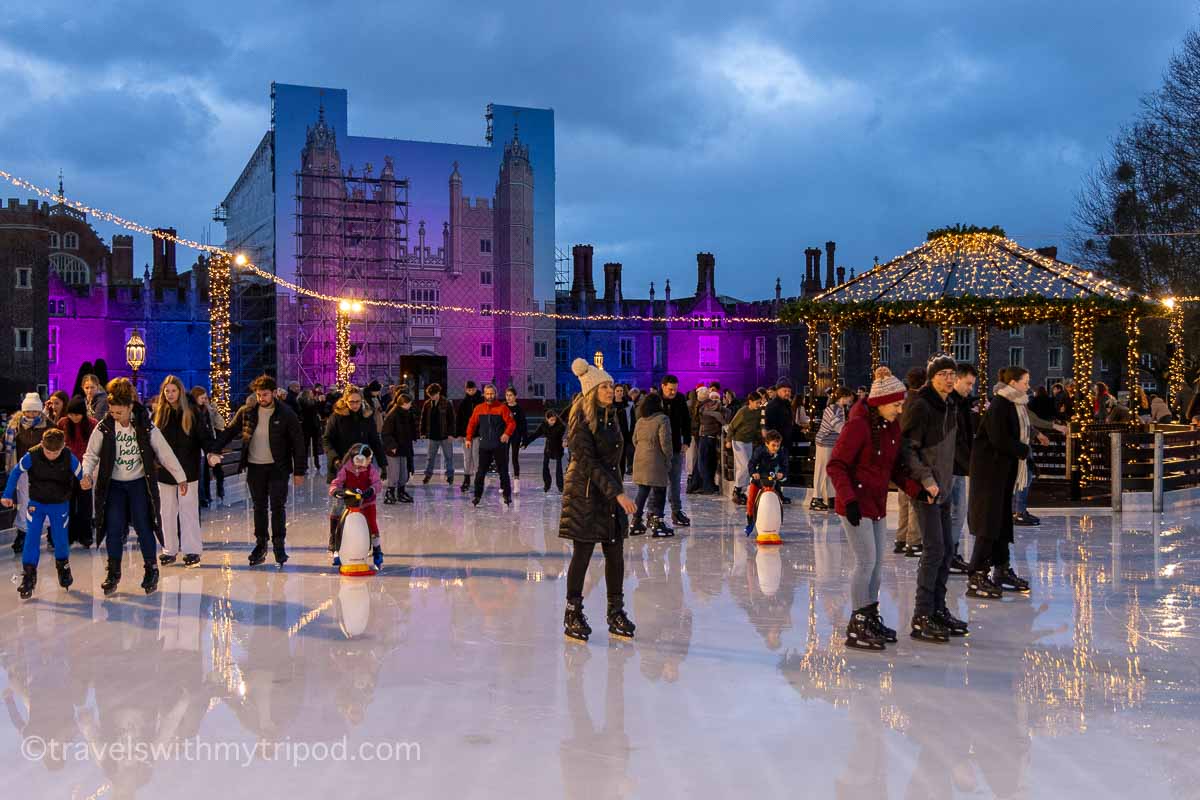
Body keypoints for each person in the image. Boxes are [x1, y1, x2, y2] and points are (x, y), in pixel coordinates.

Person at [827, 372, 925, 650]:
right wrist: (849, 500)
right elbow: (836, 465)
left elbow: (892, 468)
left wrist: (914, 489)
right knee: (866, 562)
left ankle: (869, 616)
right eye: (896, 404)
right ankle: (857, 624)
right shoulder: (857, 426)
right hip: (855, 505)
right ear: (881, 402)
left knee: (877, 565)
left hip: (877, 503)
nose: (900, 408)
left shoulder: (891, 428)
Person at [81, 378, 188, 595]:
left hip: (139, 484)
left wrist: (180, 477)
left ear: (130, 408)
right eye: (112, 412)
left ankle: (151, 568)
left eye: (119, 412)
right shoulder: (105, 428)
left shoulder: (145, 426)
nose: (114, 416)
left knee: (144, 526)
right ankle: (113, 572)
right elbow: (91, 454)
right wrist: (87, 474)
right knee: (113, 528)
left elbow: (164, 452)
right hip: (115, 486)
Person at [560, 358, 638, 642]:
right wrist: (617, 493)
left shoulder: (611, 416)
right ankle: (573, 611)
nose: (611, 390)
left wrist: (616, 491)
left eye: (612, 385)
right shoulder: (580, 419)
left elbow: (614, 461)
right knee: (582, 554)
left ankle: (615, 611)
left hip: (608, 496)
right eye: (605, 386)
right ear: (592, 391)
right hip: (585, 495)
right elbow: (588, 462)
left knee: (615, 554)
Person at [901, 354, 967, 643]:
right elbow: (907, 448)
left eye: (953, 374)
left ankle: (938, 608)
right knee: (934, 550)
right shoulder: (921, 405)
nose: (950, 379)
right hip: (926, 488)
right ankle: (922, 614)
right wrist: (926, 480)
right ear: (932, 377)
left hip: (944, 486)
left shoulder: (950, 404)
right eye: (944, 374)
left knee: (947, 551)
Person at [209, 375, 307, 566]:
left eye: (265, 394)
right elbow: (230, 431)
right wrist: (214, 448)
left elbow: (298, 443)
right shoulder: (247, 412)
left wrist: (299, 471)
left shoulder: (286, 414)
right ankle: (261, 544)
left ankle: (279, 546)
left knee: (277, 507)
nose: (262, 398)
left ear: (273, 393)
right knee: (259, 507)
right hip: (255, 467)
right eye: (259, 395)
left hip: (278, 467)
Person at [967, 366, 1036, 599]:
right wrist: (1023, 450)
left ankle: (1001, 568)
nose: (1028, 386)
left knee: (1001, 522)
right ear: (1013, 383)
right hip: (990, 473)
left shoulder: (1014, 404)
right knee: (989, 523)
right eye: (1025, 382)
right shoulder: (1000, 404)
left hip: (1003, 472)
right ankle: (977, 573)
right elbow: (998, 439)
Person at [2, 428, 83, 598]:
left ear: (63, 447)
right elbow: (16, 471)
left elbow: (82, 476)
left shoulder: (69, 457)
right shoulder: (32, 455)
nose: (51, 455)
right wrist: (7, 494)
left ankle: (63, 567)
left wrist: (86, 481)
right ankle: (29, 576)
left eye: (56, 452)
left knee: (60, 538)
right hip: (37, 503)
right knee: (32, 537)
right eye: (48, 451)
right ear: (42, 445)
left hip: (59, 504)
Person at [152, 375, 214, 568]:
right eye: (167, 391)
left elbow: (203, 437)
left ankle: (192, 549)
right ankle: (169, 549)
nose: (170, 394)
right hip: (165, 471)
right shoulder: (160, 414)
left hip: (188, 470)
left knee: (188, 511)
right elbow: (153, 442)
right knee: (167, 512)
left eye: (173, 390)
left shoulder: (192, 413)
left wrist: (211, 452)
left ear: (180, 391)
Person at [328, 443, 383, 570]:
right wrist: (336, 491)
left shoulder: (370, 469)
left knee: (372, 525)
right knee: (342, 526)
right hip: (350, 505)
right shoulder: (346, 469)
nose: (367, 462)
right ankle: (337, 550)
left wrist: (372, 490)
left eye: (367, 460)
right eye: (366, 459)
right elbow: (336, 482)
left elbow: (378, 483)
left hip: (368, 503)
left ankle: (377, 550)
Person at [5, 393, 48, 555]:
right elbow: (5, 443)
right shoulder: (14, 426)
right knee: (24, 503)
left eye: (35, 411)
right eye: (29, 411)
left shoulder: (47, 425)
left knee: (46, 500)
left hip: (43, 470)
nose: (32, 415)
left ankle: (50, 532)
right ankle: (22, 535)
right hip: (22, 471)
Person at [630, 392, 673, 537]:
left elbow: (634, 439)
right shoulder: (663, 419)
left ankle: (635, 521)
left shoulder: (641, 420)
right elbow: (665, 442)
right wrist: (669, 458)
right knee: (659, 491)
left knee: (643, 491)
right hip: (656, 460)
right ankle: (657, 522)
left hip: (640, 458)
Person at [893, 367, 927, 555]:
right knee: (915, 500)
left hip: (900, 455)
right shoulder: (920, 403)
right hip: (913, 455)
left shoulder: (903, 402)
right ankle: (913, 541)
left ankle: (901, 538)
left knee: (904, 500)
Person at [465, 384, 516, 506]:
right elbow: (471, 424)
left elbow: (511, 423)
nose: (489, 396)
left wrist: (506, 434)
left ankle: (507, 495)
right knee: (480, 472)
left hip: (499, 445)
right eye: (487, 393)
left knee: (503, 472)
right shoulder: (479, 408)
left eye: (492, 393)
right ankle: (477, 496)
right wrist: (468, 439)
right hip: (485, 446)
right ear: (484, 394)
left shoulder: (502, 408)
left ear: (496, 394)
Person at [948, 364, 978, 574]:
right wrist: (970, 466)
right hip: (951, 467)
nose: (970, 388)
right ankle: (947, 554)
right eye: (968, 383)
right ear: (956, 380)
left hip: (957, 467)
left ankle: (950, 553)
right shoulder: (951, 405)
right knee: (955, 514)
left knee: (957, 514)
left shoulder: (961, 403)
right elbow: (955, 439)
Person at [322, 385, 385, 482]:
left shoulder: (367, 416)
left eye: (357, 401)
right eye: (351, 402)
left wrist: (382, 464)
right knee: (347, 495)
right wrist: (335, 459)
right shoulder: (336, 417)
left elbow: (374, 440)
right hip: (342, 464)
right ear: (345, 401)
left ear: (362, 401)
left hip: (363, 464)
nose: (355, 405)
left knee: (363, 495)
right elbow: (327, 440)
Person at [58, 396, 96, 547]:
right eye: (71, 414)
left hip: (85, 470)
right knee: (69, 503)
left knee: (85, 503)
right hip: (67, 470)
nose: (74, 417)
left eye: (77, 414)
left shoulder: (92, 424)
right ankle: (70, 534)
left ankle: (85, 535)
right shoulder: (63, 423)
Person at [811, 386, 852, 511]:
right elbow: (838, 426)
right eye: (848, 397)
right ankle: (816, 498)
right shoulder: (832, 409)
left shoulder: (840, 409)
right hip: (824, 443)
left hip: (832, 443)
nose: (850, 399)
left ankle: (829, 497)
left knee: (829, 471)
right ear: (843, 397)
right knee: (821, 470)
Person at [660, 375, 693, 527]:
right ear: (663, 386)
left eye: (675, 389)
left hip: (676, 446)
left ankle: (676, 511)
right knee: (657, 482)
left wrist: (687, 441)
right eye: (670, 389)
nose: (673, 392)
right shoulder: (655, 400)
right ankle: (655, 513)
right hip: (658, 448)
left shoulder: (679, 399)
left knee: (675, 481)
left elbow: (686, 421)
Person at [744, 430, 788, 536]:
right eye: (773, 445)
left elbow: (785, 466)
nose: (776, 448)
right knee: (751, 500)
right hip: (759, 480)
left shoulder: (781, 452)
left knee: (779, 500)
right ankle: (750, 522)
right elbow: (752, 463)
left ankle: (776, 522)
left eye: (778, 445)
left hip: (772, 481)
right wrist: (754, 472)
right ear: (766, 444)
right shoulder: (760, 451)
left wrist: (782, 473)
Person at [762, 377, 797, 504]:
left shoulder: (787, 404)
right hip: (776, 443)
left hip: (785, 442)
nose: (787, 393)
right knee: (775, 469)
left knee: (781, 469)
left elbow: (788, 423)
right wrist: (773, 442)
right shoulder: (772, 405)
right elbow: (769, 425)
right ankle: (774, 493)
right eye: (784, 390)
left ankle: (778, 492)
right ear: (778, 391)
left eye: (789, 390)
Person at [191, 386, 226, 508]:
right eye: (203, 398)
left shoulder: (208, 411)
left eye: (206, 398)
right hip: (199, 447)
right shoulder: (193, 411)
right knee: (202, 473)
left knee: (213, 470)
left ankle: (214, 493)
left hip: (210, 445)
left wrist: (214, 412)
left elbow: (221, 425)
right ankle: (203, 498)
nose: (205, 400)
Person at [727, 390, 763, 506]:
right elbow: (732, 426)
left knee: (747, 466)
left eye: (760, 403)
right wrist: (728, 440)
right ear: (750, 402)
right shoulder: (743, 412)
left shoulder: (758, 412)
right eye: (757, 403)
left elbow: (758, 426)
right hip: (738, 441)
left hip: (749, 441)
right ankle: (737, 489)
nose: (758, 405)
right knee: (744, 466)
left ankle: (741, 490)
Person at [418, 383, 456, 485]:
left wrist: (451, 434)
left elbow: (452, 420)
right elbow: (423, 419)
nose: (432, 397)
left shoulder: (447, 403)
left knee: (449, 457)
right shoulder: (427, 404)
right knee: (430, 457)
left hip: (445, 436)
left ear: (438, 393)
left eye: (433, 395)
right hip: (433, 436)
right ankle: (428, 475)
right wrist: (422, 432)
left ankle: (450, 476)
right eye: (430, 395)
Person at [381, 393, 415, 504]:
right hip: (394, 450)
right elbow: (386, 433)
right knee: (394, 472)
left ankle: (401, 491)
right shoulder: (393, 415)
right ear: (404, 403)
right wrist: (392, 446)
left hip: (403, 448)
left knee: (403, 473)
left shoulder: (406, 413)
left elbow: (408, 430)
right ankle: (390, 492)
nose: (411, 405)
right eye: (409, 403)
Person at [696, 384, 728, 494]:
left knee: (703, 463)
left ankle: (707, 487)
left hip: (705, 436)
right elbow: (726, 412)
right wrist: (724, 423)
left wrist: (723, 423)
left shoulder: (703, 407)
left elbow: (715, 415)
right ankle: (711, 485)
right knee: (711, 462)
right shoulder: (716, 404)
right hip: (714, 436)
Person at [525, 409, 566, 491]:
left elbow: (565, 435)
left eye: (554, 419)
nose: (553, 421)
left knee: (559, 467)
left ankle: (560, 486)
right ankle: (547, 485)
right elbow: (535, 434)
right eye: (551, 420)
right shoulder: (544, 425)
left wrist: (565, 440)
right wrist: (526, 443)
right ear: (547, 419)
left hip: (558, 448)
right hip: (548, 448)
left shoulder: (561, 426)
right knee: (545, 466)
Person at [456, 381, 484, 494]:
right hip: (466, 435)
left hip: (478, 434)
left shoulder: (481, 401)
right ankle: (466, 479)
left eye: (472, 389)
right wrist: (459, 434)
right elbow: (459, 420)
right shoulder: (463, 403)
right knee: (467, 457)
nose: (471, 391)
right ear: (466, 390)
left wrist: (483, 432)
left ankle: (478, 480)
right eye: (469, 390)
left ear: (476, 388)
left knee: (476, 457)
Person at [504, 387, 528, 493]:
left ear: (515, 396)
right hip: (505, 436)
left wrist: (525, 439)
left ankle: (516, 483)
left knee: (514, 458)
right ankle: (504, 483)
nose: (508, 398)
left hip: (516, 436)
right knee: (503, 459)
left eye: (510, 395)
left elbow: (523, 425)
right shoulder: (503, 407)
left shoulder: (519, 409)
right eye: (507, 395)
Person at [298, 388, 324, 472]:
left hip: (314, 426)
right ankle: (305, 464)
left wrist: (319, 402)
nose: (312, 394)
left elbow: (317, 410)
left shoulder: (313, 401)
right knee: (305, 446)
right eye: (310, 393)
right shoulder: (302, 402)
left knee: (315, 446)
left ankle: (317, 463)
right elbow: (308, 409)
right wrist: (318, 402)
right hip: (306, 426)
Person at [613, 384, 633, 477]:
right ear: (614, 392)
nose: (619, 393)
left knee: (622, 458)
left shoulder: (628, 405)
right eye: (617, 391)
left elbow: (632, 420)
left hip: (625, 435)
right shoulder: (609, 405)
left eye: (621, 391)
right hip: (612, 435)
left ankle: (621, 479)